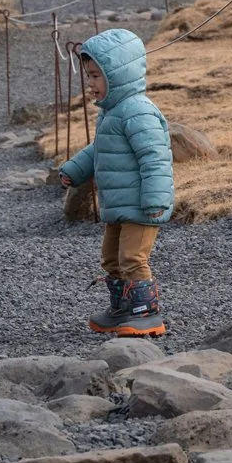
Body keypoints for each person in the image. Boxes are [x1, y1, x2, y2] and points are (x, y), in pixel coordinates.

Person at [57, 28, 174, 337]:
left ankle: (145, 312)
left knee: (133, 257)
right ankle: (121, 309)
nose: (90, 83)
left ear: (119, 73)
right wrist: (75, 169)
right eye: (89, 76)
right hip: (119, 206)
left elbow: (155, 157)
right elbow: (100, 150)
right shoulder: (112, 113)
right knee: (111, 256)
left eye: (96, 76)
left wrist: (156, 200)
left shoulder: (138, 111)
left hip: (141, 205)